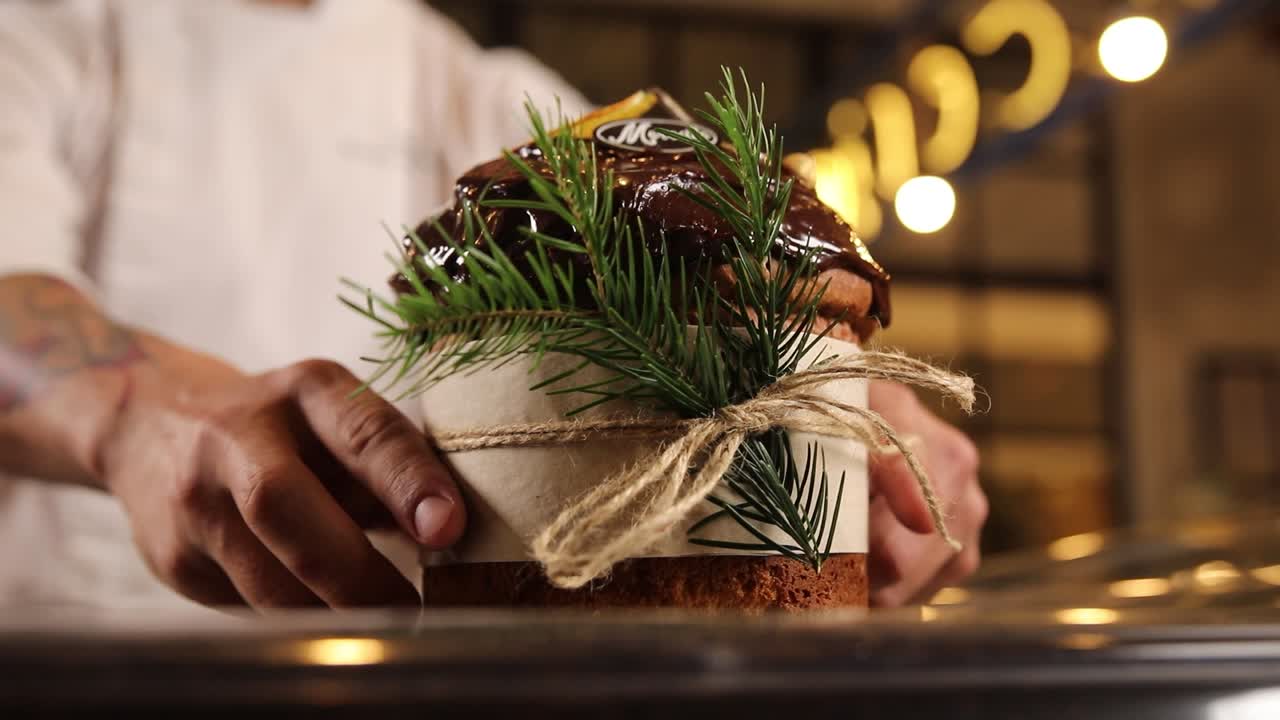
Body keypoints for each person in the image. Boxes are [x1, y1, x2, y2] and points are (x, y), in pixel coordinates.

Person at [0, 0, 986, 612]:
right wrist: (137, 413)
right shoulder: (44, 36)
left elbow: (713, 263)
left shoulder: (471, 90)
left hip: (434, 671)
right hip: (86, 663)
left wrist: (845, 406)